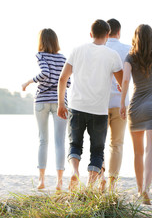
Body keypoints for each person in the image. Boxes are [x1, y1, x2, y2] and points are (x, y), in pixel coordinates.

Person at [57, 19, 123, 191]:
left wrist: (60, 104)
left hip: (76, 106)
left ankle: (74, 171)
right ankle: (89, 185)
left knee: (74, 145)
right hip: (99, 110)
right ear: (108, 35)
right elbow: (122, 82)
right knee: (97, 150)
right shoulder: (112, 55)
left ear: (90, 34)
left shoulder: (77, 51)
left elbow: (63, 78)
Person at [120, 24, 152, 205]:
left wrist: (122, 103)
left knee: (138, 152)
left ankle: (140, 190)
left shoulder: (130, 57)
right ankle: (147, 187)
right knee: (151, 150)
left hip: (136, 107)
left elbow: (125, 80)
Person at [22, 28, 71, 191]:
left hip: (42, 101)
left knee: (43, 140)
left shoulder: (41, 55)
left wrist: (28, 82)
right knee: (59, 142)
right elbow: (68, 83)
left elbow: (45, 73)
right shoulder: (64, 58)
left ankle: (42, 180)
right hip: (60, 102)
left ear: (41, 41)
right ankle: (59, 182)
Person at [99, 18, 131, 190]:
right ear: (119, 32)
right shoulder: (128, 49)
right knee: (117, 144)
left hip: (100, 103)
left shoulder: (99, 48)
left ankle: (101, 177)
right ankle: (112, 183)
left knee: (99, 143)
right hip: (121, 103)